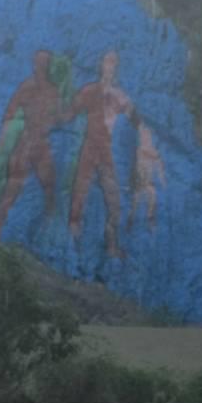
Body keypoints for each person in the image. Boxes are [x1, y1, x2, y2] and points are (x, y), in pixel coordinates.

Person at [67, 50, 137, 258]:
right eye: (108, 61)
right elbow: (70, 111)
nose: (111, 65)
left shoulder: (120, 96)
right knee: (80, 191)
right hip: (89, 147)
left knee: (113, 200)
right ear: (101, 65)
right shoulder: (89, 90)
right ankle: (71, 240)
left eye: (114, 61)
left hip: (105, 150)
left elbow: (135, 118)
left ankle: (112, 244)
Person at [0, 50, 69, 238]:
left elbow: (60, 119)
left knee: (49, 188)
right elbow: (10, 112)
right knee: (13, 188)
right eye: (39, 62)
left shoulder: (52, 91)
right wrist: (2, 139)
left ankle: (45, 232)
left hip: (39, 144)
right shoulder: (28, 88)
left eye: (44, 63)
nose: (41, 66)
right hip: (28, 143)